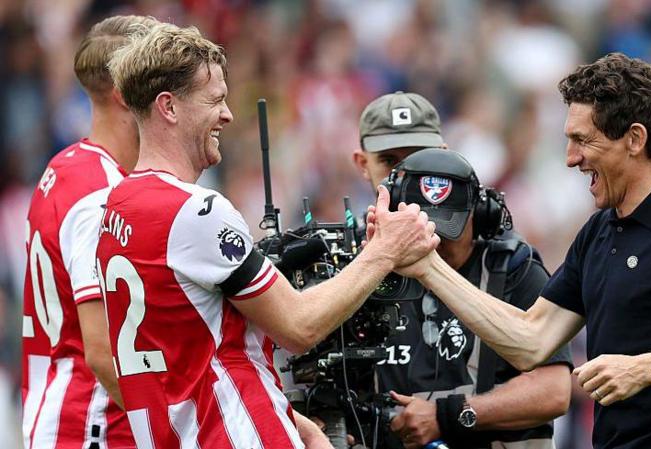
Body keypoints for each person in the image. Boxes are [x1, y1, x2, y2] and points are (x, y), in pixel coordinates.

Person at [382, 53, 651, 449]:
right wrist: (427, 265)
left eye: (582, 140)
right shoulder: (598, 231)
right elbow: (531, 339)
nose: (571, 158)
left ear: (634, 139)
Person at [98, 23, 438, 449]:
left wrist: (296, 420)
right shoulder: (196, 210)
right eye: (216, 100)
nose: (227, 114)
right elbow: (299, 326)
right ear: (169, 106)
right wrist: (384, 251)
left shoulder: (114, 208)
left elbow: (185, 356)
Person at [353, 93, 571, 448]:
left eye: (419, 159)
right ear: (362, 164)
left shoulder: (508, 264)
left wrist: (448, 417)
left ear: (445, 154)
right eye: (391, 164)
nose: (410, 179)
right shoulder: (348, 258)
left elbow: (553, 391)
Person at [21, 15, 158, 448]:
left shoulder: (66, 166)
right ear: (123, 93)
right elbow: (101, 354)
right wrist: (164, 432)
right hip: (88, 425)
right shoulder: (100, 196)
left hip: (56, 411)